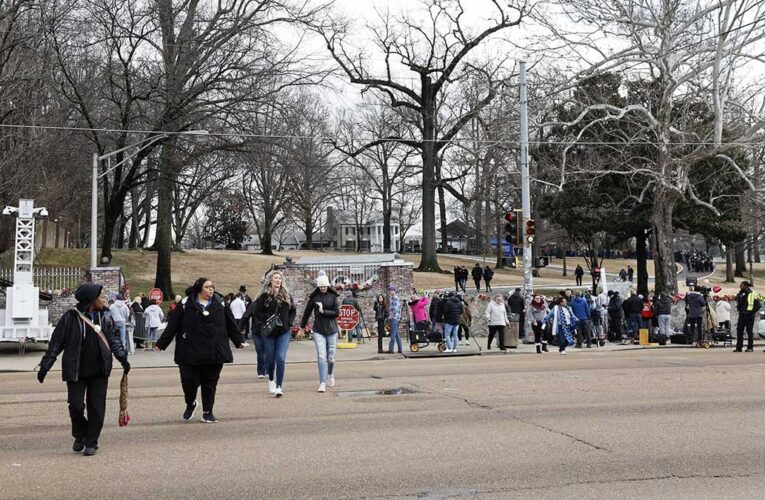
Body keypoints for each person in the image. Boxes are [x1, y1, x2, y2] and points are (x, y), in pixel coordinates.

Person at [36, 283, 130, 456]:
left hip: (99, 370)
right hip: (76, 370)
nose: (104, 299)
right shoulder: (70, 318)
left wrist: (123, 358)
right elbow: (56, 344)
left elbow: (113, 340)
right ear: (91, 300)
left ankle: (92, 442)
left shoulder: (106, 316)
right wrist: (45, 365)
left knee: (96, 407)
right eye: (101, 296)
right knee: (76, 405)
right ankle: (81, 434)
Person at [156, 278, 245, 423]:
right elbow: (173, 325)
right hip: (189, 350)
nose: (211, 289)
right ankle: (190, 403)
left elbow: (230, 323)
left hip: (214, 350)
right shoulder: (185, 304)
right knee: (188, 381)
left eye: (212, 287)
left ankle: (207, 411)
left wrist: (238, 340)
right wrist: (161, 344)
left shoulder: (221, 303)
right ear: (199, 289)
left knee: (210, 382)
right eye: (208, 287)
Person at [242, 272, 295, 397]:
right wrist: (266, 321)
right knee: (270, 358)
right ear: (270, 281)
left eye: (280, 278)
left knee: (280, 358)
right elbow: (257, 312)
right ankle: (271, 379)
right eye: (275, 278)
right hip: (269, 332)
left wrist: (289, 322)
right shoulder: (264, 296)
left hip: (283, 332)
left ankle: (279, 386)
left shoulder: (287, 296)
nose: (278, 280)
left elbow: (293, 310)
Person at [299, 275, 341, 392]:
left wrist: (324, 311)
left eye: (324, 286)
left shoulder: (333, 297)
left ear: (327, 285)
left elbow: (337, 312)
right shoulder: (314, 297)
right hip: (318, 330)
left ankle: (330, 374)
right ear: (318, 286)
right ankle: (322, 382)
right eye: (321, 286)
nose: (323, 288)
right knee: (322, 356)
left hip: (332, 330)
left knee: (331, 356)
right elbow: (307, 312)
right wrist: (302, 327)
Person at [734, 281, 759, 352]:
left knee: (749, 332)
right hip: (741, 315)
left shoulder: (751, 293)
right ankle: (739, 348)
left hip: (749, 316)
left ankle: (750, 347)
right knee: (739, 331)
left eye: (741, 285)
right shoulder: (740, 293)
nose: (740, 286)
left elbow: (758, 305)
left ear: (745, 286)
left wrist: (751, 312)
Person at [386, 286, 403, 354]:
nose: (390, 291)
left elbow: (395, 309)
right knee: (396, 334)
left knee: (392, 334)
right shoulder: (392, 298)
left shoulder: (395, 298)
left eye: (392, 290)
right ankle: (400, 349)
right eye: (390, 290)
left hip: (394, 318)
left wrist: (391, 317)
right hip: (394, 318)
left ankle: (391, 349)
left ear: (394, 291)